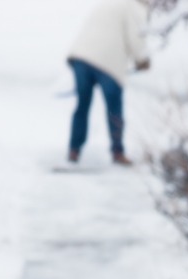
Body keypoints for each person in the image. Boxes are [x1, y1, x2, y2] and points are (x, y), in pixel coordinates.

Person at [65, 0, 151, 165]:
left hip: (81, 58)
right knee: (114, 108)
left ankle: (73, 150)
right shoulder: (135, 7)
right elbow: (136, 35)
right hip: (108, 63)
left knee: (82, 104)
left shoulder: (106, 3)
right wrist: (142, 59)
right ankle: (117, 152)